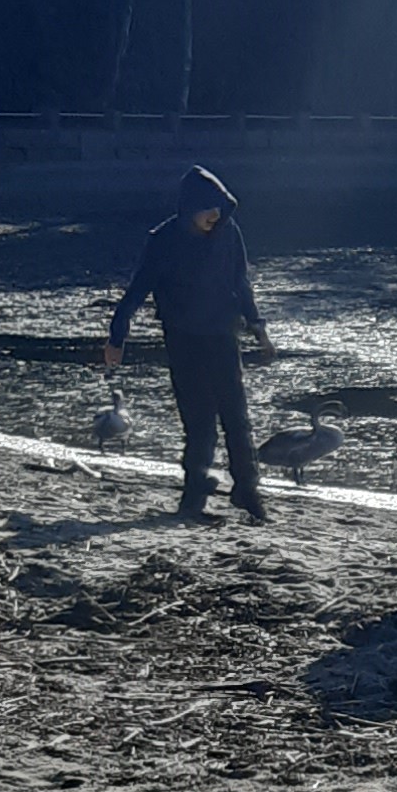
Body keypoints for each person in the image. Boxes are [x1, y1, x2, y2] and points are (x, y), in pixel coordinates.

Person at [102, 167, 276, 524]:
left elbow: (240, 283)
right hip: (183, 339)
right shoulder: (163, 239)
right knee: (199, 422)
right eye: (208, 210)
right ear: (189, 208)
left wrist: (258, 328)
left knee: (237, 418)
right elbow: (137, 290)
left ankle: (247, 491)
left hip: (223, 335)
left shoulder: (228, 232)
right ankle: (194, 496)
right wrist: (117, 336)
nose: (215, 217)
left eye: (220, 209)